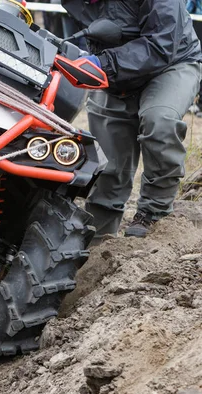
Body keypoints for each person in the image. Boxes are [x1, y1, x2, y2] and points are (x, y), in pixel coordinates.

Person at [61, 0, 202, 239]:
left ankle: (153, 215)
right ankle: (96, 239)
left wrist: (103, 63)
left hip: (172, 62)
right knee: (107, 161)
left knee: (160, 121)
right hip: (115, 70)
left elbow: (162, 44)